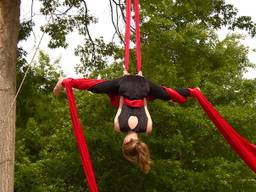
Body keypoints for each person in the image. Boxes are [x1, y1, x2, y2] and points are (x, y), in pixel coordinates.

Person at [53, 71, 191, 173]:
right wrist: (125, 77)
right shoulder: (118, 126)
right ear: (125, 142)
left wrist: (139, 78)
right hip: (123, 85)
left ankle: (192, 91)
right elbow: (120, 102)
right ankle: (66, 82)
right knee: (95, 86)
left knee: (166, 94)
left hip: (144, 85)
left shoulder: (148, 128)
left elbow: (144, 104)